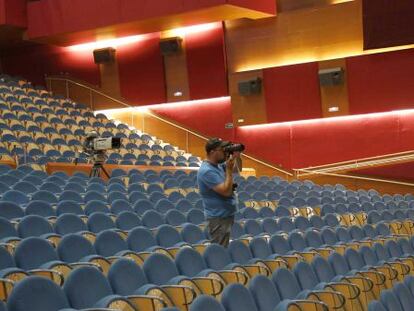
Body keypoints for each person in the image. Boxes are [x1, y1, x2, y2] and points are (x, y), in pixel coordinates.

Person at [197, 138, 242, 247]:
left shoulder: (217, 166)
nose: (225, 152)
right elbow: (226, 192)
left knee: (223, 247)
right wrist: (229, 171)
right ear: (212, 152)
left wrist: (236, 156)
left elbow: (238, 169)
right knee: (220, 250)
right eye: (223, 150)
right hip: (218, 218)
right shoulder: (207, 171)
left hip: (225, 215)